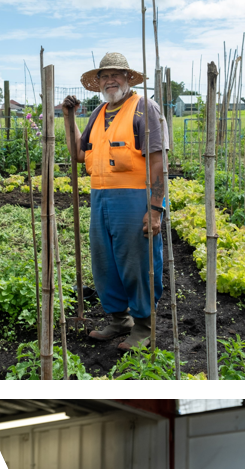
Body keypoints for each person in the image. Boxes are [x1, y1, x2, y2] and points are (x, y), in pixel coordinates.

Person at [62, 52, 168, 350]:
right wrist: (69, 118)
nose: (110, 80)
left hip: (135, 198)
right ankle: (119, 319)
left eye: (116, 75)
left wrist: (155, 208)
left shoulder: (144, 109)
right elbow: (78, 155)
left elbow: (158, 162)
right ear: (97, 83)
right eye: (104, 76)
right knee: (105, 262)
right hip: (100, 198)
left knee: (137, 261)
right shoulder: (98, 114)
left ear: (127, 78)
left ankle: (145, 325)